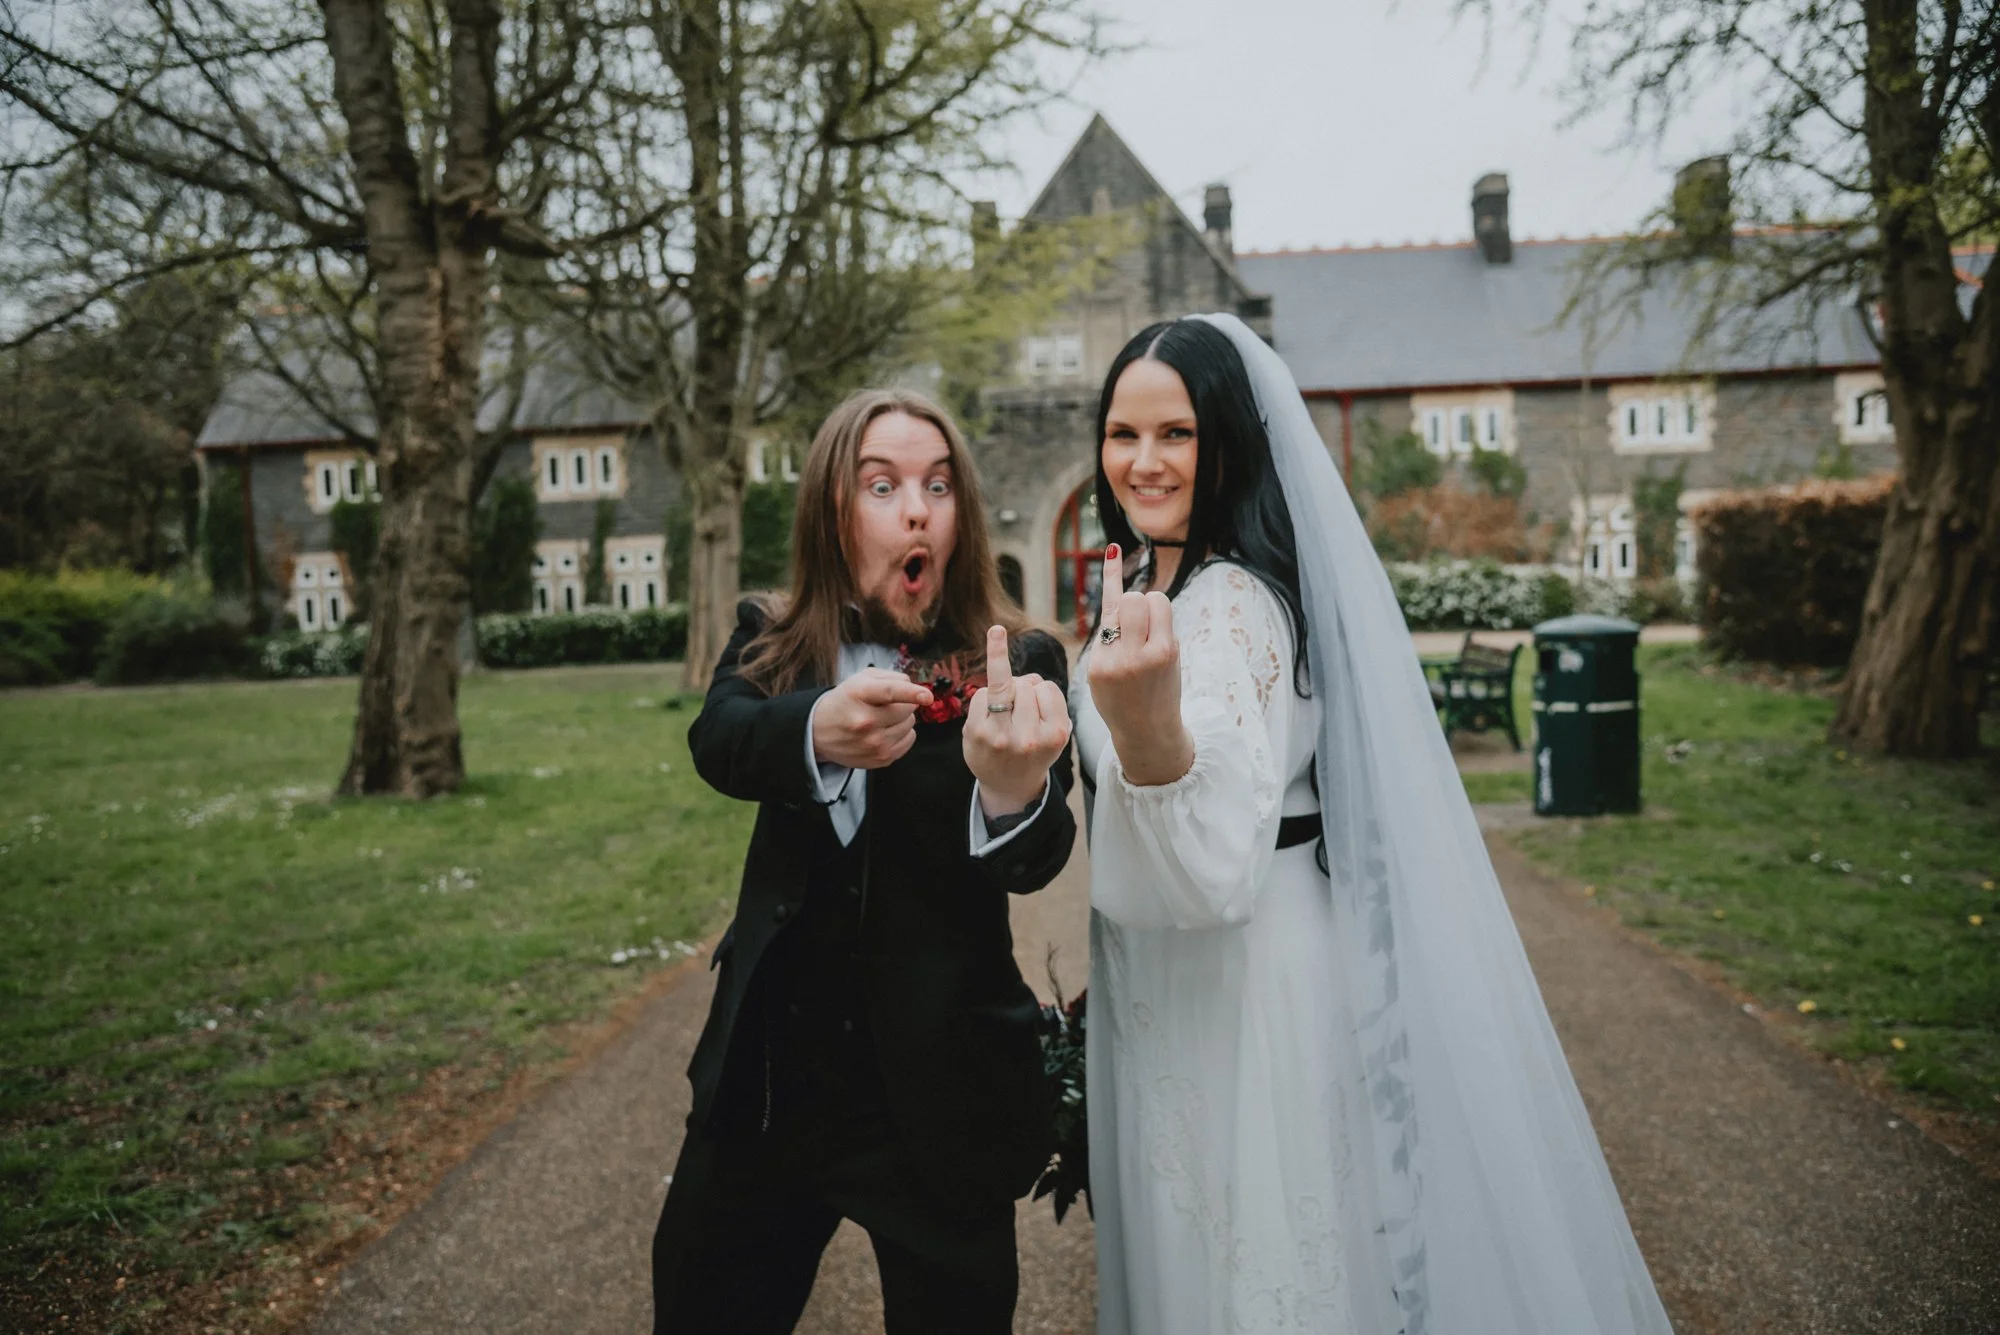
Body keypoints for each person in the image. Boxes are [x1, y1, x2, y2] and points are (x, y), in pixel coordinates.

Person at [1073, 316, 1675, 1334]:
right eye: (1121, 433)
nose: (1142, 461)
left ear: (1227, 440)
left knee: (1255, 1249)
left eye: (1174, 433)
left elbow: (1213, 860)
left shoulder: (1228, 607)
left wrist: (1140, 732)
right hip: (1178, 973)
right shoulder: (1152, 586)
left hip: (1241, 968)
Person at [653, 388, 1077, 1333]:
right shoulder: (774, 640)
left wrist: (1011, 786)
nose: (916, 507)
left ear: (961, 514)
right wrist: (815, 728)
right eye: (881, 484)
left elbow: (1042, 856)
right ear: (832, 513)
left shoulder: (1019, 662)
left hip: (940, 1095)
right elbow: (719, 739)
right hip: (771, 1082)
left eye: (937, 484)